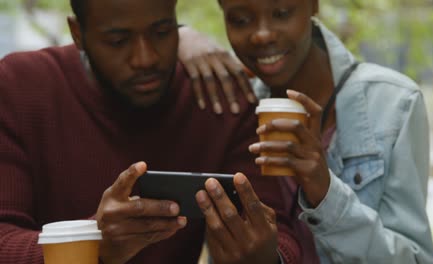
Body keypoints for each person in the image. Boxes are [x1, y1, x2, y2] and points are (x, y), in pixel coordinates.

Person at [0, 0, 303, 263]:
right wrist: (94, 246)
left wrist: (265, 255)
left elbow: (280, 233)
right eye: (118, 40)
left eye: (162, 32)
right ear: (78, 33)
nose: (145, 58)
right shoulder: (19, 86)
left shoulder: (219, 101)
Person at [216, 0, 433, 263]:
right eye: (240, 20)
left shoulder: (394, 103)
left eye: (282, 13)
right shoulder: (234, 113)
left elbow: (416, 259)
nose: (262, 34)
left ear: (313, 5)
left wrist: (325, 192)